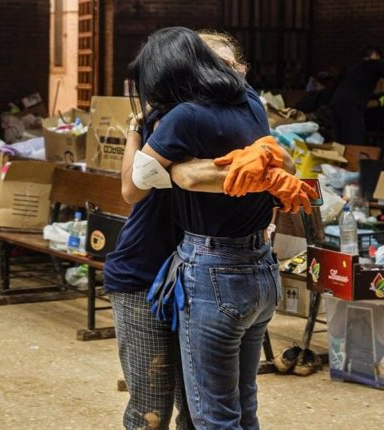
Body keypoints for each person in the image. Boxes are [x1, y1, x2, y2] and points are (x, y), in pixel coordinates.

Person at [104, 30, 309, 430]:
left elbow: (272, 164)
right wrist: (137, 131)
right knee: (155, 410)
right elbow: (133, 189)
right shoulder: (168, 118)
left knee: (203, 410)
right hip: (145, 270)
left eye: (231, 64)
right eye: (216, 62)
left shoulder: (239, 107)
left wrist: (259, 175)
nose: (226, 71)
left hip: (201, 270)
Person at [329, 45, 384, 145]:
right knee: (356, 141)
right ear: (374, 55)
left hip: (336, 104)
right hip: (351, 106)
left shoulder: (352, 68)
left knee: (340, 142)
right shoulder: (376, 64)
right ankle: (355, 160)